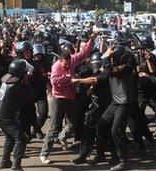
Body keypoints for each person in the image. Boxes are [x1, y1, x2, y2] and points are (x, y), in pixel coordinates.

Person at [40, 32, 98, 164]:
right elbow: (54, 80)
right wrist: (70, 78)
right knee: (54, 127)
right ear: (60, 61)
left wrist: (91, 39)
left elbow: (84, 53)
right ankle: (44, 154)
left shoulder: (72, 60)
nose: (67, 67)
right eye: (65, 65)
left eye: (68, 65)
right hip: (58, 99)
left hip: (70, 98)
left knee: (73, 124)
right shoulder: (56, 66)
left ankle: (62, 136)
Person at [0, 59, 34, 171]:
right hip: (5, 117)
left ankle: (5, 161)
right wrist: (26, 82)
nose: (27, 74)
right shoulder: (16, 85)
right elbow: (30, 97)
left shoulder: (6, 81)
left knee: (10, 137)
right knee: (21, 138)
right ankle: (16, 166)